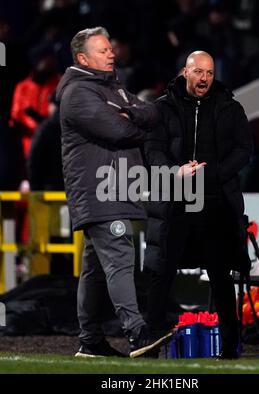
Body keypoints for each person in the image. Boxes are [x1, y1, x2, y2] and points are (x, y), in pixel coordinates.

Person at [56, 26, 171, 358]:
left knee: (94, 270)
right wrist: (134, 120)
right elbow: (120, 131)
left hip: (116, 190)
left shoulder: (112, 89)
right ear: (82, 58)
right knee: (121, 259)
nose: (112, 53)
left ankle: (90, 340)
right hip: (100, 191)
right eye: (103, 50)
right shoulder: (78, 93)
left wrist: (132, 112)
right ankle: (137, 333)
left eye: (111, 48)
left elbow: (151, 113)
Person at [144, 51, 253, 359]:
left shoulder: (230, 108)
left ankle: (231, 347)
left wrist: (215, 174)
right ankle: (149, 342)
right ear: (185, 73)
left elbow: (244, 149)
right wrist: (175, 172)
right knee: (162, 270)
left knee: (220, 274)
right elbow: (152, 150)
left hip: (216, 203)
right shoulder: (162, 108)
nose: (205, 78)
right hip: (175, 202)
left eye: (209, 72)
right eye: (198, 72)